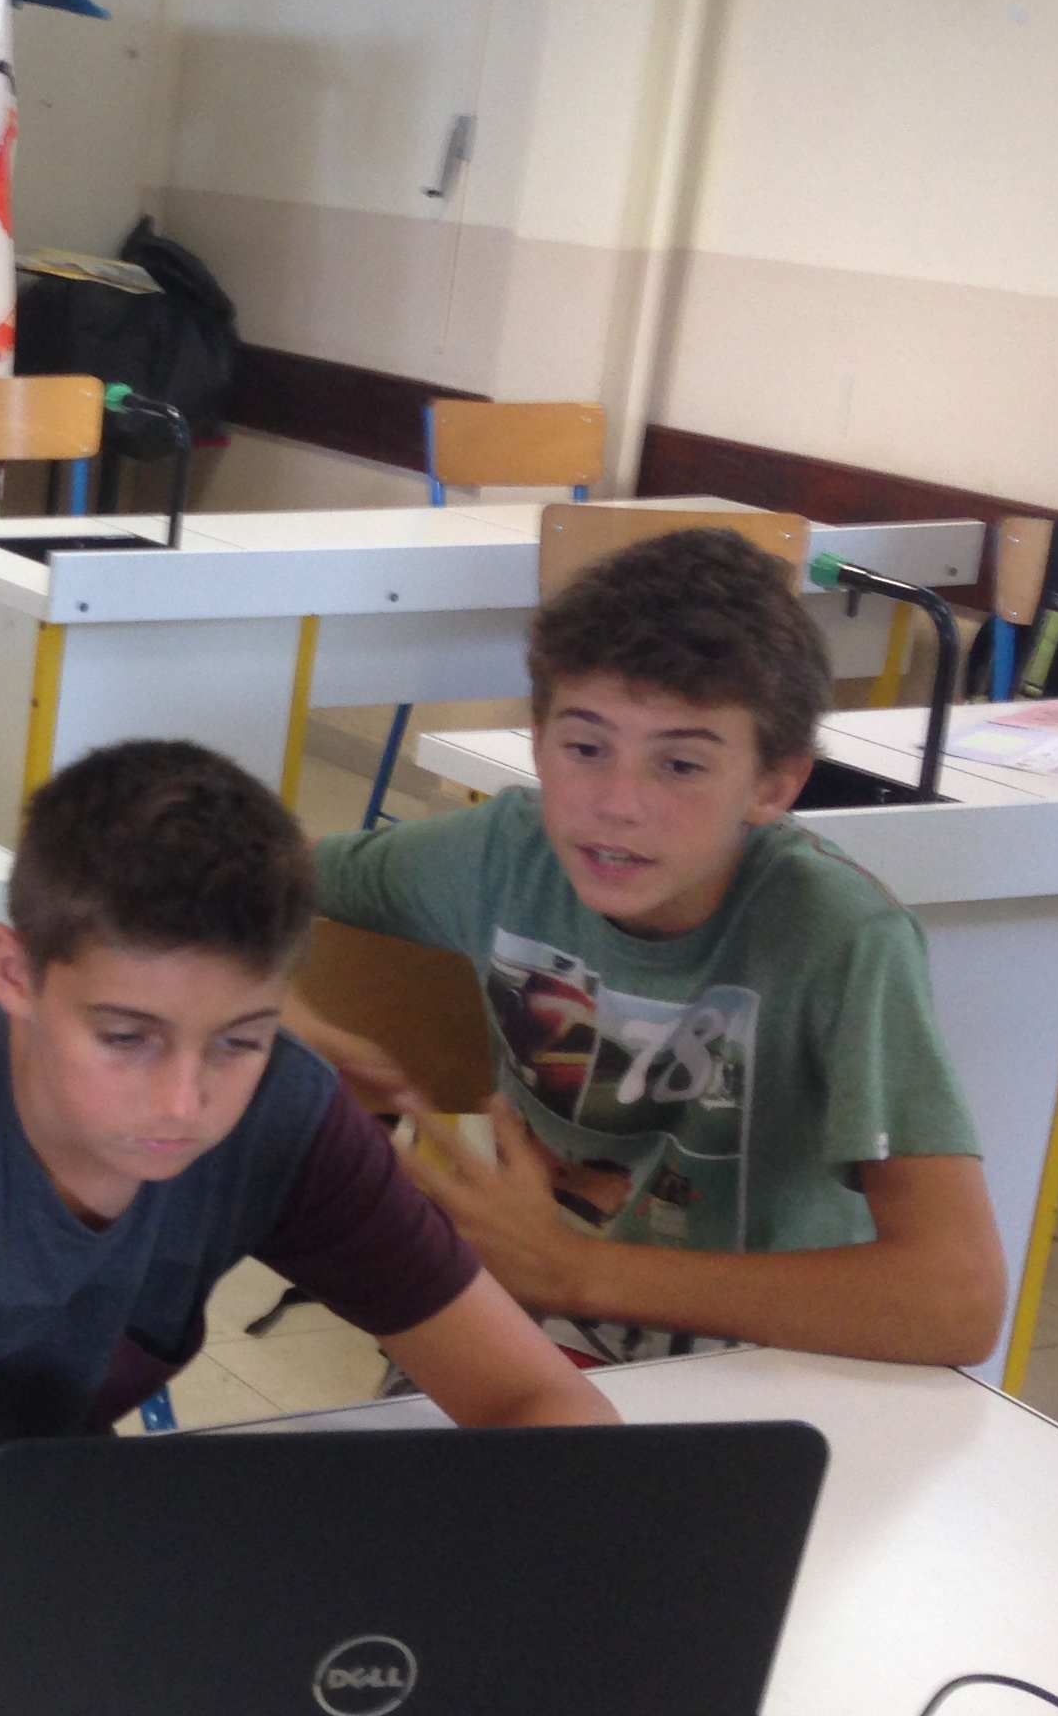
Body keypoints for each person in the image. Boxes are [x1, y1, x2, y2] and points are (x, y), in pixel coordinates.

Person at [0, 741, 612, 1595]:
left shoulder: (284, 1116)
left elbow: (533, 1396)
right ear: (14, 973)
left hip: (44, 1529)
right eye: (126, 1037)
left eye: (239, 1039)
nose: (183, 1102)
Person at [300, 526, 1006, 1367]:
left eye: (680, 766)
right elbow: (233, 876)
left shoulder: (841, 937)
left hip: (758, 1368)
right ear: (537, 741)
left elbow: (959, 1303)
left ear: (774, 783)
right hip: (529, 1343)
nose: (617, 803)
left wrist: (576, 1272)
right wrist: (272, 1014)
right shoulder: (498, 854)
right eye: (586, 747)